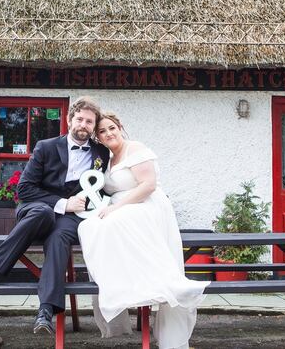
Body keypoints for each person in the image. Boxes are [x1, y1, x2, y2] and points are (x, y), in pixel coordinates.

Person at [0, 96, 110, 335]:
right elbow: (24, 189)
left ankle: (46, 310)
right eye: (79, 119)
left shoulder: (101, 153)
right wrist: (62, 203)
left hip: (72, 217)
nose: (83, 125)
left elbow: (102, 185)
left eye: (89, 122)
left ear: (93, 126)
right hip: (37, 208)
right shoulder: (46, 146)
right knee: (43, 214)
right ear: (70, 120)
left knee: (59, 239)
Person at [78, 112, 209, 349]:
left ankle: (154, 283)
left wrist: (116, 208)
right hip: (124, 206)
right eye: (102, 131)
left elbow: (148, 186)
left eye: (111, 128)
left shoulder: (134, 148)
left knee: (110, 222)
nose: (108, 133)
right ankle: (120, 282)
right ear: (98, 137)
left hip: (145, 205)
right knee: (90, 225)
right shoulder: (108, 158)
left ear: (120, 127)